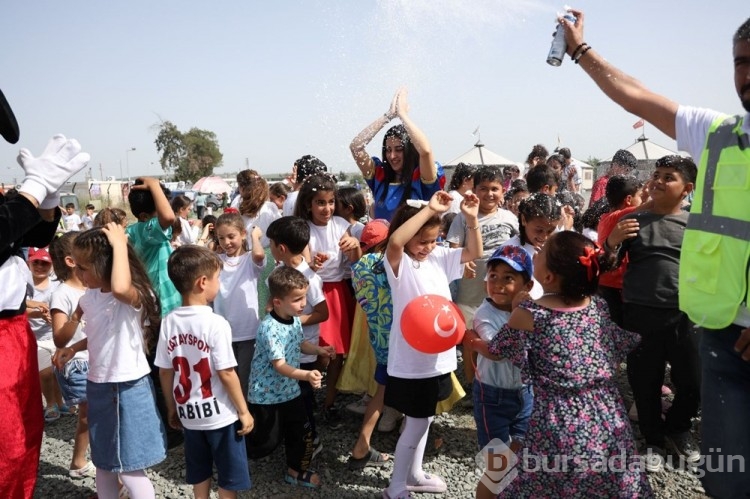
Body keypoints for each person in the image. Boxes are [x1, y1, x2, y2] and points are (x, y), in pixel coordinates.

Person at [562, 11, 750, 495]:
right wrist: (581, 50)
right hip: (718, 330)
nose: (746, 76)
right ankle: (656, 434)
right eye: (740, 63)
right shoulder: (721, 135)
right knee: (727, 478)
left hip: (704, 327)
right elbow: (637, 93)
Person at [481, 231, 652, 497]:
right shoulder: (597, 306)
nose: (536, 253)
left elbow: (497, 350)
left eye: (543, 251)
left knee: (539, 485)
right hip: (607, 417)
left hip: (559, 423)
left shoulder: (529, 314)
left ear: (548, 277)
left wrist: (470, 339)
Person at [0, 90, 89, 498]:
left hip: (11, 330)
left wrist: (47, 198)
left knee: (21, 429)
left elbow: (28, 232)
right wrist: (33, 188)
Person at [54, 223, 166, 499]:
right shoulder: (90, 297)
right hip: (99, 384)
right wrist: (75, 347)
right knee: (104, 464)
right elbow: (100, 335)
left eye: (83, 267)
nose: (77, 273)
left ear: (106, 264)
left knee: (129, 468)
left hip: (127, 386)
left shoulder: (132, 296)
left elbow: (118, 287)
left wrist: (118, 245)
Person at [382, 190, 482, 498]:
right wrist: (429, 209)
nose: (428, 247)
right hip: (411, 362)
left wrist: (471, 218)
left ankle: (414, 474)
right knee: (415, 424)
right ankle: (395, 486)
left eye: (434, 239)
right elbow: (396, 242)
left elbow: (473, 252)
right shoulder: (398, 264)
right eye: (422, 241)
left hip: (438, 358)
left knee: (423, 419)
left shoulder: (438, 257)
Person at [607, 156, 701, 472]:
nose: (659, 181)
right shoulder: (634, 220)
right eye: (656, 175)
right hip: (640, 315)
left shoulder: (696, 225)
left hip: (684, 315)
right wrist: (612, 241)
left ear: (687, 188)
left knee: (692, 382)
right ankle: (653, 441)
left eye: (668, 177)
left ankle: (678, 427)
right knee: (645, 383)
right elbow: (605, 267)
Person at [156, 245, 253, 499]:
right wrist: (243, 411)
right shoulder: (216, 323)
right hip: (220, 415)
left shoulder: (169, 321)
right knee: (228, 475)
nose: (218, 283)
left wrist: (171, 407)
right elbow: (227, 373)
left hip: (189, 413)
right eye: (217, 278)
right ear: (202, 282)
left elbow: (165, 372)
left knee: (199, 472)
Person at [247, 266, 335, 490]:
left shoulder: (294, 319)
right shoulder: (269, 328)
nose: (303, 303)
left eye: (304, 297)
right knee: (264, 441)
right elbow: (279, 365)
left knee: (302, 431)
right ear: (277, 302)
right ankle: (232, 454)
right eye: (297, 299)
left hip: (290, 391)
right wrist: (306, 375)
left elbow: (299, 343)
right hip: (266, 395)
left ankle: (296, 470)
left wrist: (319, 351)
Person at [294, 173, 361, 427]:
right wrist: (313, 264)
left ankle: (329, 403)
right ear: (309, 204)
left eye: (331, 202)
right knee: (319, 353)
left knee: (336, 355)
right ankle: (308, 394)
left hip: (339, 294)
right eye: (320, 202)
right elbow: (304, 263)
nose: (327, 208)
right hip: (313, 293)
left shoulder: (342, 225)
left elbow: (355, 264)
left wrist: (355, 245)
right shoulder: (303, 228)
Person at [448, 165, 518, 388]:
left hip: (501, 294)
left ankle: (497, 381)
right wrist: (462, 259)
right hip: (470, 291)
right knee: (471, 339)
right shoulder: (463, 217)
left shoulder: (509, 217)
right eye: (483, 188)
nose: (489, 194)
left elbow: (520, 248)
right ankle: (472, 384)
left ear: (502, 192)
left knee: (495, 337)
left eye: (494, 189)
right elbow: (452, 247)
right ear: (474, 191)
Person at [265, 216, 329, 458]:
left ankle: (310, 442)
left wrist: (289, 321)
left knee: (302, 399)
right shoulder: (280, 271)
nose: (269, 247)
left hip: (304, 351)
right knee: (294, 399)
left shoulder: (309, 278)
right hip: (288, 351)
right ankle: (298, 436)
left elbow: (323, 312)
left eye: (270, 243)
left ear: (281, 249)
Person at [462, 245, 535, 453]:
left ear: (527, 286)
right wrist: (515, 314)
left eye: (508, 278)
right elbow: (496, 351)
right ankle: (497, 484)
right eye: (493, 276)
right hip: (492, 395)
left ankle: (514, 482)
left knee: (522, 445)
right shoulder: (484, 314)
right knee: (495, 453)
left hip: (525, 391)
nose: (498, 285)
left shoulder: (533, 311)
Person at [350, 87, 445, 220]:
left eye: (399, 150)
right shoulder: (380, 176)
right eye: (388, 150)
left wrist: (403, 115)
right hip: (385, 241)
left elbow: (426, 151)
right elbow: (356, 147)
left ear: (410, 150)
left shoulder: (422, 175)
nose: (392, 156)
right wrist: (388, 116)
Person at [346, 219, 393, 469]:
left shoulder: (357, 267)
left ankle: (363, 443)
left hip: (379, 339)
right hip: (400, 339)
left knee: (380, 391)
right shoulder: (388, 265)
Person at [49, 232, 94, 479]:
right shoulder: (62, 293)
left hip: (93, 360)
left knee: (89, 416)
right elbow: (59, 339)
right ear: (71, 260)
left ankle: (78, 461)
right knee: (92, 416)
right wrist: (77, 314)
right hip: (76, 364)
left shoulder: (93, 286)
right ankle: (102, 468)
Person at [211, 212, 266, 403]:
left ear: (242, 234)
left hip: (248, 331)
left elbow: (259, 254)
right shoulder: (217, 261)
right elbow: (198, 256)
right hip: (223, 332)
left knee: (245, 379)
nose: (227, 242)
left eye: (231, 236)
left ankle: (248, 419)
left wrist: (254, 236)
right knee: (226, 378)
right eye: (221, 237)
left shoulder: (249, 260)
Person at [126, 177, 180, 317]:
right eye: (160, 209)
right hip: (162, 307)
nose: (168, 210)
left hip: (166, 303)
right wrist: (154, 185)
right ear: (144, 216)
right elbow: (168, 217)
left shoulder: (134, 231)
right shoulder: (145, 232)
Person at [595, 175, 644, 326]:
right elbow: (650, 207)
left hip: (606, 284)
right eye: (641, 196)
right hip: (614, 287)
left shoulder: (605, 217)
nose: (643, 200)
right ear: (628, 200)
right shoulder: (620, 215)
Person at [25, 246, 65, 421]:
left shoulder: (57, 284)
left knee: (57, 372)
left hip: (55, 335)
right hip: (35, 338)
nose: (40, 266)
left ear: (52, 266)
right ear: (29, 263)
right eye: (36, 262)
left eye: (44, 263)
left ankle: (59, 401)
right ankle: (50, 404)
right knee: (45, 373)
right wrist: (35, 312)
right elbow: (16, 309)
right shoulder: (23, 284)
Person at [501, 192, 563, 299]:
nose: (544, 237)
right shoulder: (509, 251)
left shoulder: (558, 248)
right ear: (524, 220)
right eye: (539, 230)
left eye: (550, 231)